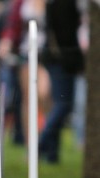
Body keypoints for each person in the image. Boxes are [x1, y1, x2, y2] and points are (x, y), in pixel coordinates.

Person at [0, 0, 50, 145]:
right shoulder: (20, 3)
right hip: (26, 53)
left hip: (49, 54)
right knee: (29, 99)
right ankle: (31, 145)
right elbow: (12, 24)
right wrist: (6, 41)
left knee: (44, 95)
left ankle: (45, 137)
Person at [39, 0, 85, 163]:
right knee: (63, 104)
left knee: (60, 103)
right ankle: (40, 144)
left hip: (58, 57)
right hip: (62, 59)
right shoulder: (64, 4)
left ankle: (52, 155)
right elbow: (65, 35)